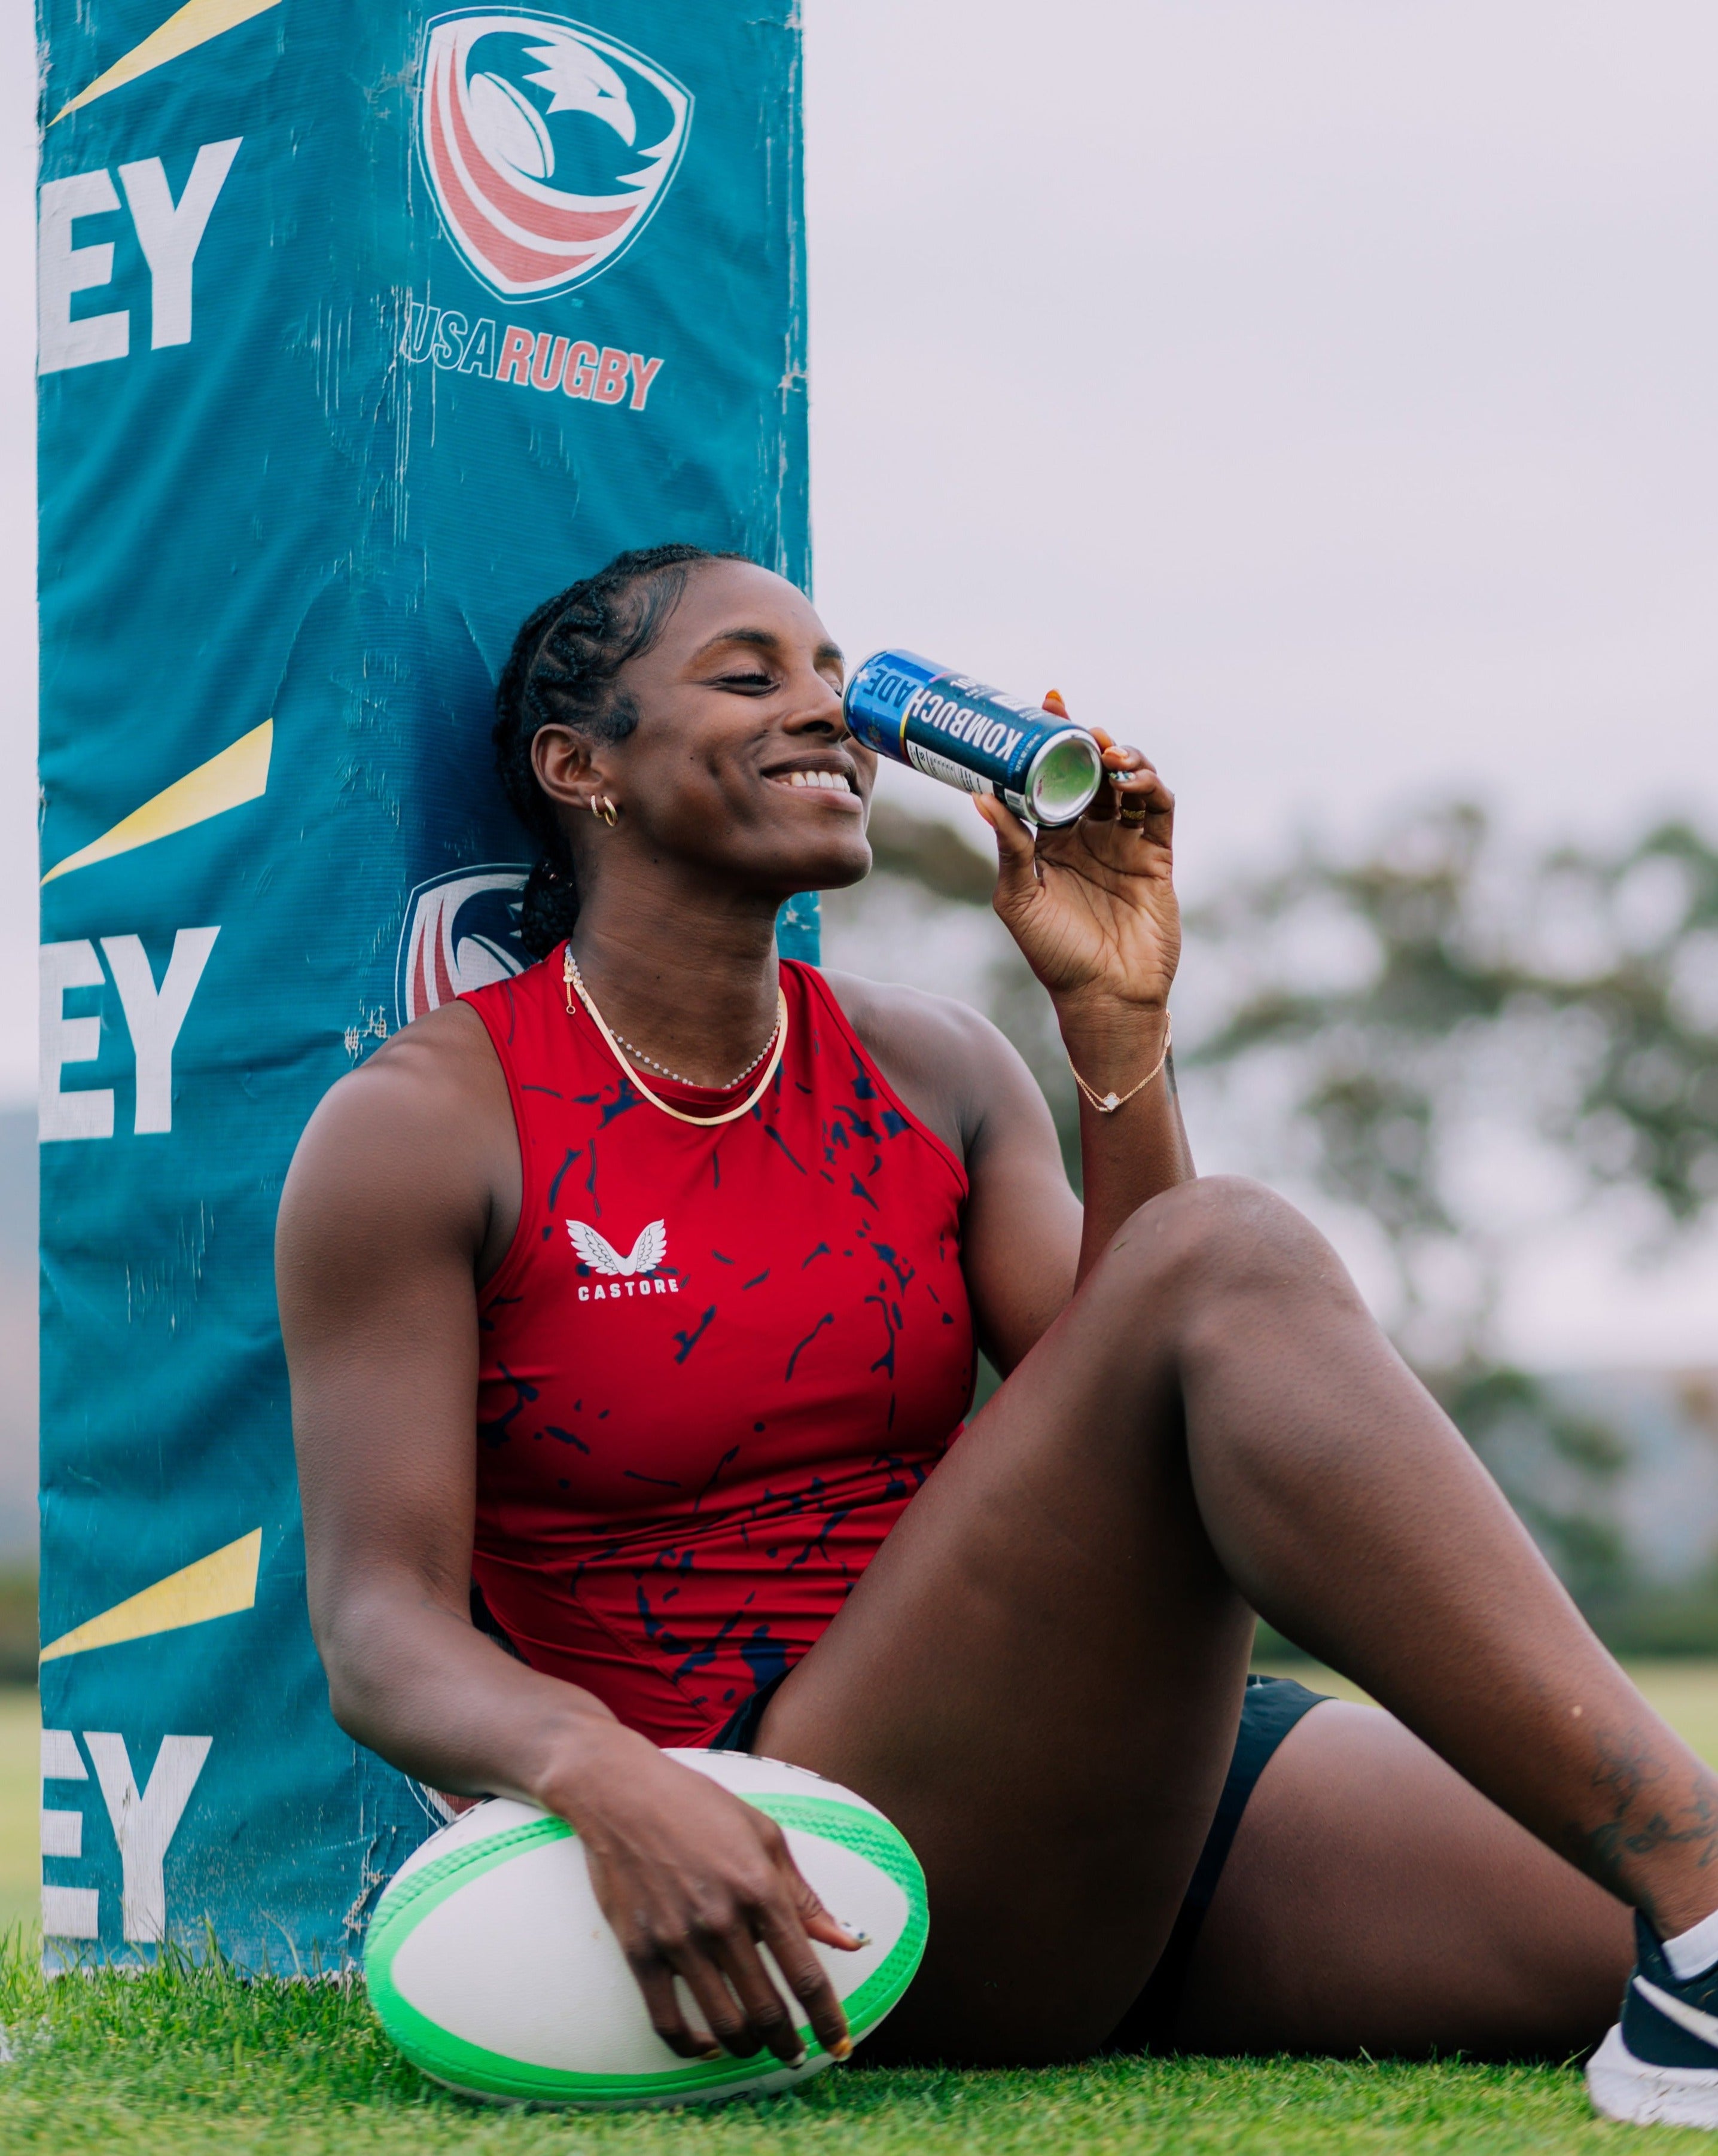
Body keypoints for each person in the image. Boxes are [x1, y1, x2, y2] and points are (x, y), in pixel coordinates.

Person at [278, 543, 1718, 2126]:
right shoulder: (429, 1124)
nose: (825, 712)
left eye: (833, 680)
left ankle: (1693, 1916)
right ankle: (1701, 1887)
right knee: (1230, 1245)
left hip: (1091, 1803)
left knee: (1615, 1917)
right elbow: (379, 1632)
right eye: (749, 676)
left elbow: (1153, 1409)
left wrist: (1118, 1035)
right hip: (805, 1852)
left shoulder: (933, 1066)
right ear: (580, 767)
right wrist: (608, 1777)